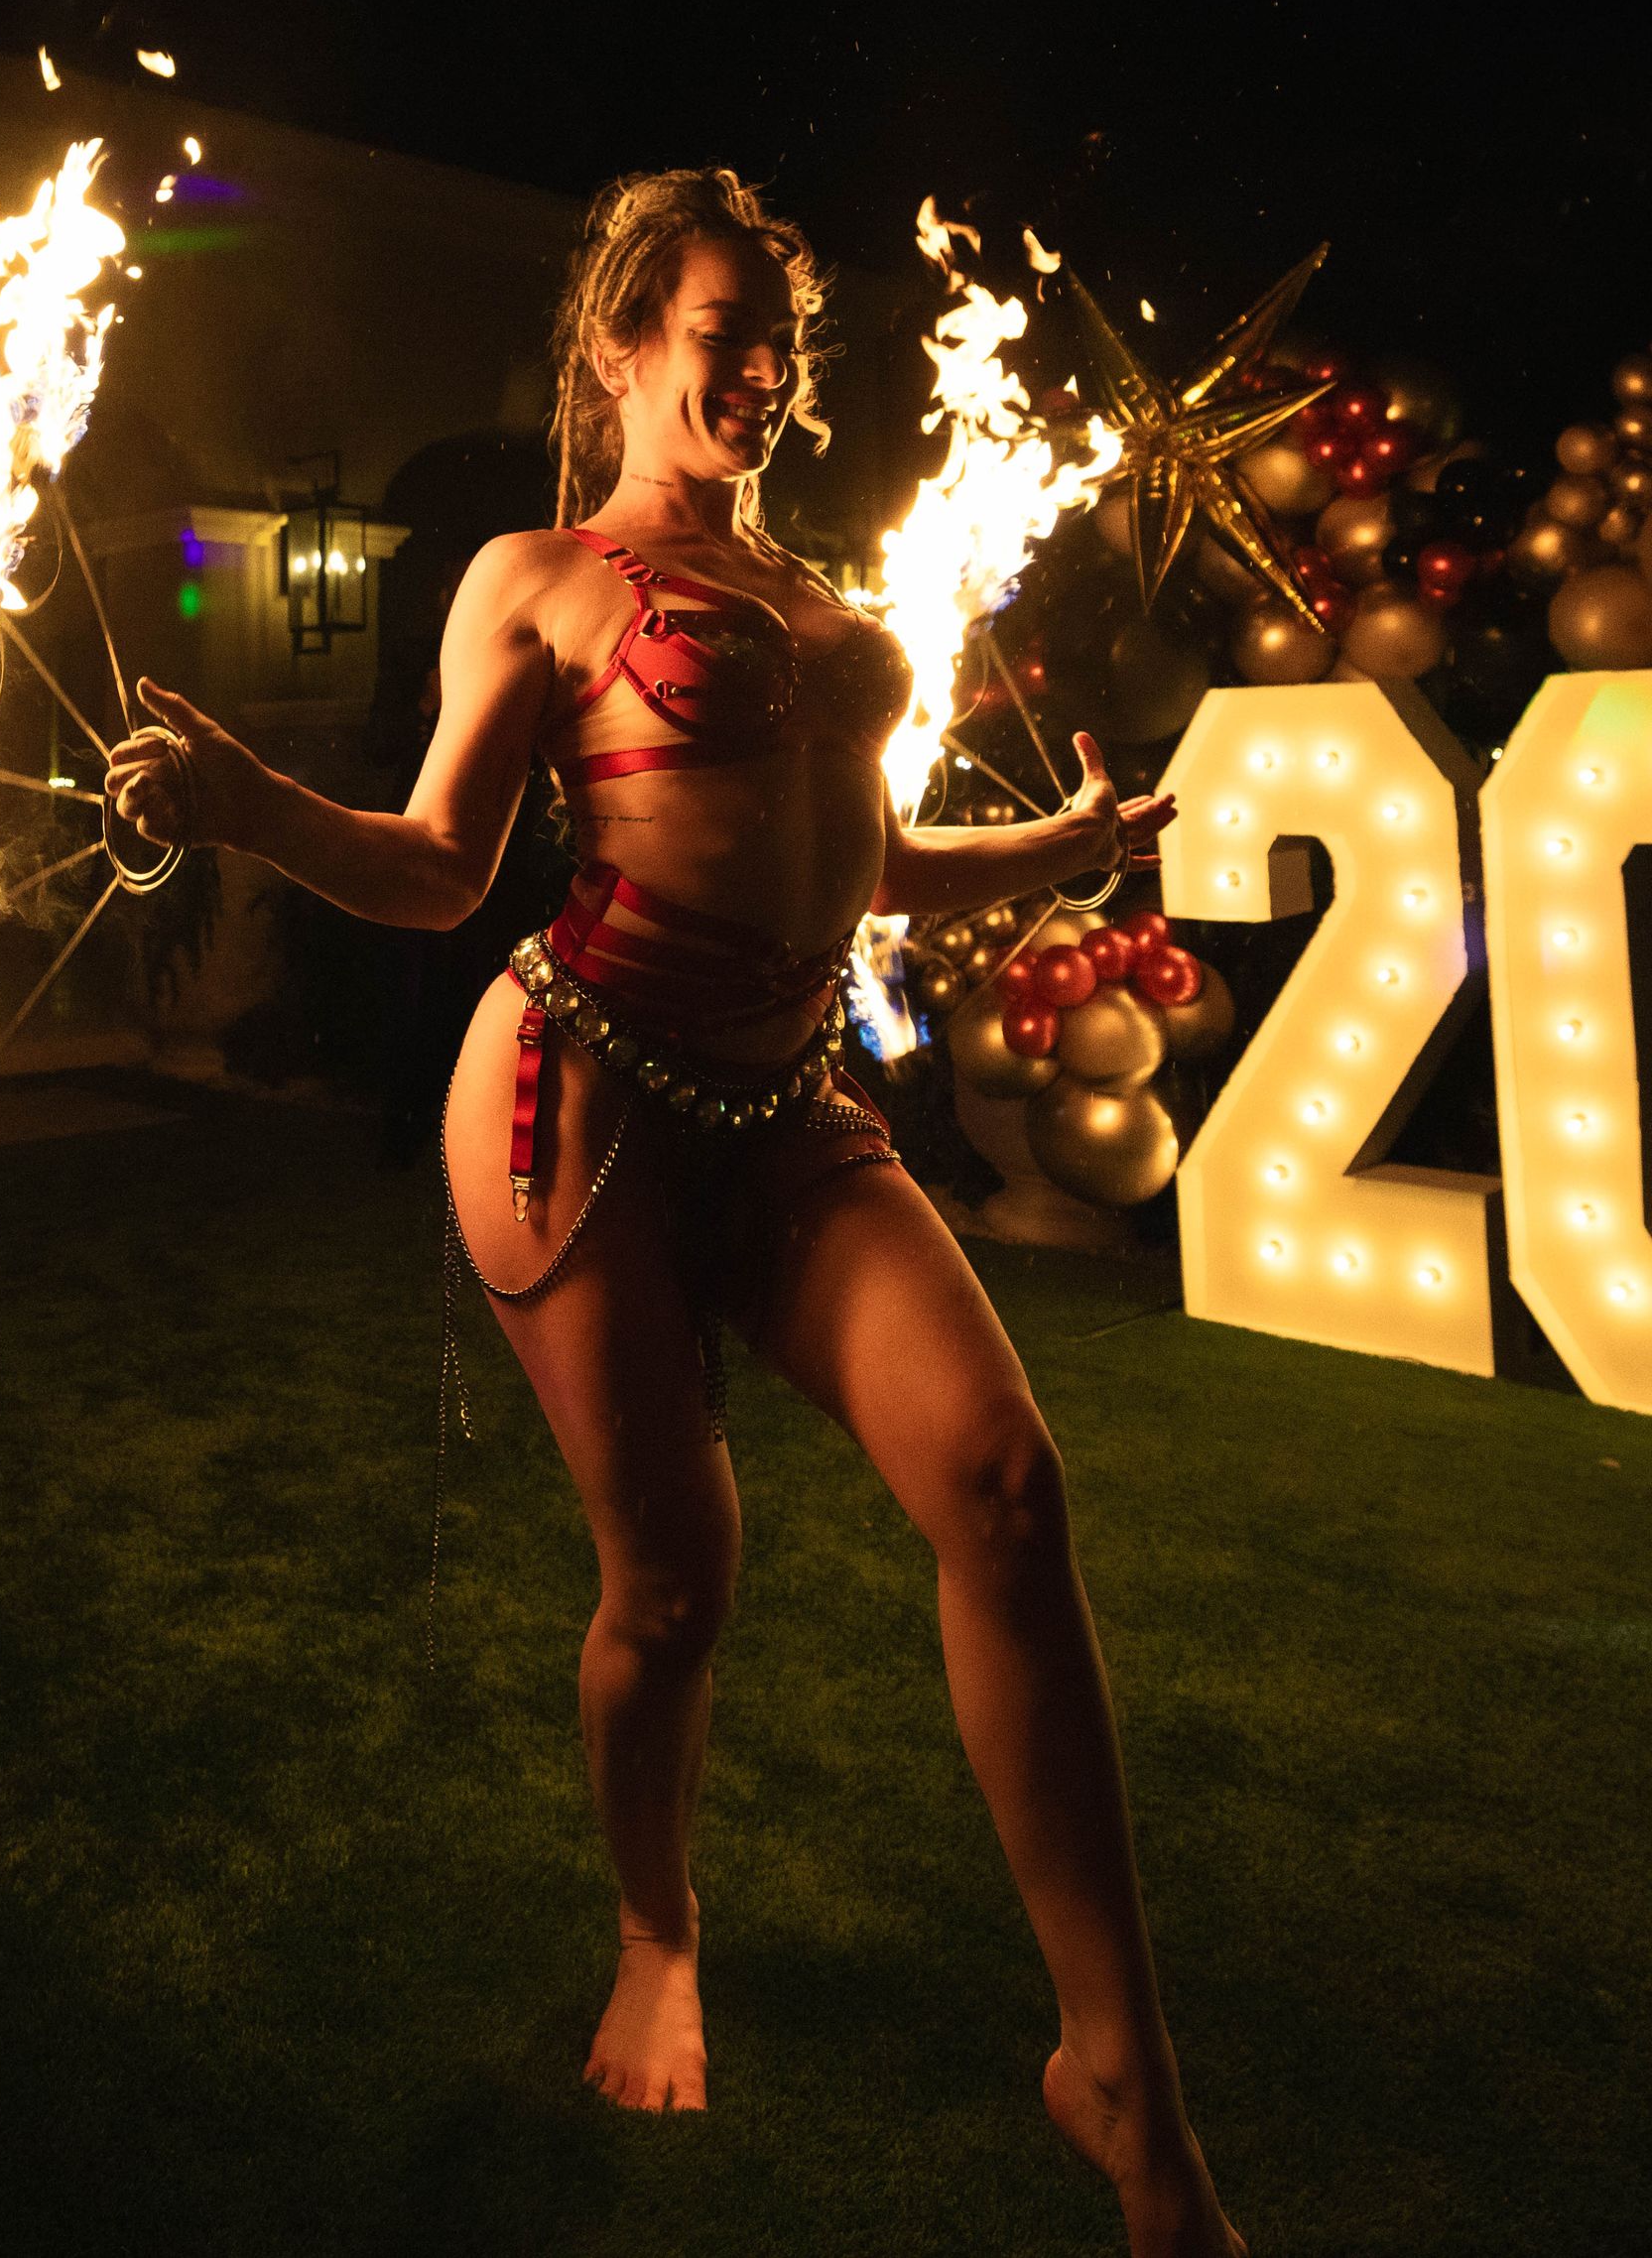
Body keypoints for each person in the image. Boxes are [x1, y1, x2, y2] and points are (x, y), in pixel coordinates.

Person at [106, 171, 1245, 2258]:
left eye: (782, 341)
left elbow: (873, 864)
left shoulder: (811, 599)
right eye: (725, 328)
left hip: (792, 1100)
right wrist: (248, 801)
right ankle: (658, 1924)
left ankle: (1125, 2079)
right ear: (622, 342)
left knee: (1006, 1484)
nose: (765, 369)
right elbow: (445, 865)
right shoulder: (542, 578)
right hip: (583, 1087)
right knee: (676, 1581)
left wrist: (1067, 841)